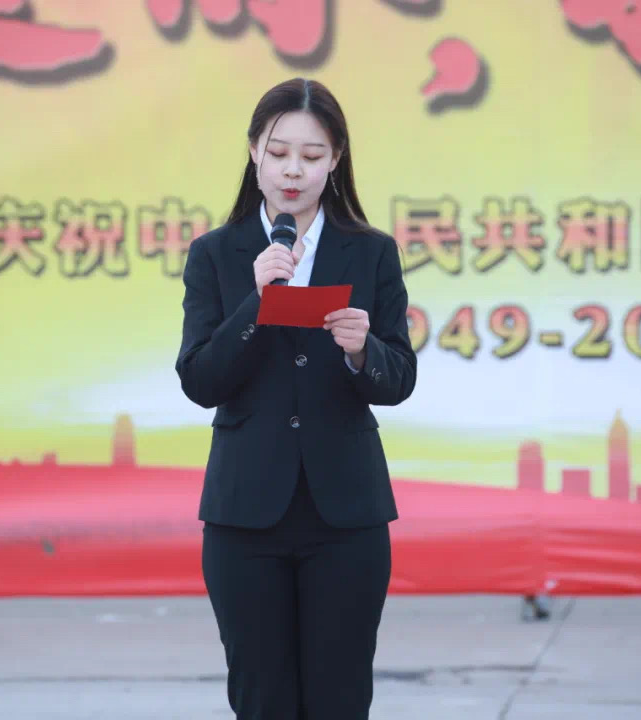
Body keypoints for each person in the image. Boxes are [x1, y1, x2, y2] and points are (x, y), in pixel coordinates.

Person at [174, 77, 417, 719]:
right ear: (254, 151)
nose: (292, 171)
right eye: (279, 153)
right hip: (245, 516)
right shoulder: (216, 254)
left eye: (311, 156)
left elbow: (399, 379)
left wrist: (364, 351)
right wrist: (255, 304)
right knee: (262, 697)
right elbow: (199, 380)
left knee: (340, 697)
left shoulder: (370, 251)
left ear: (335, 160)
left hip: (346, 515)